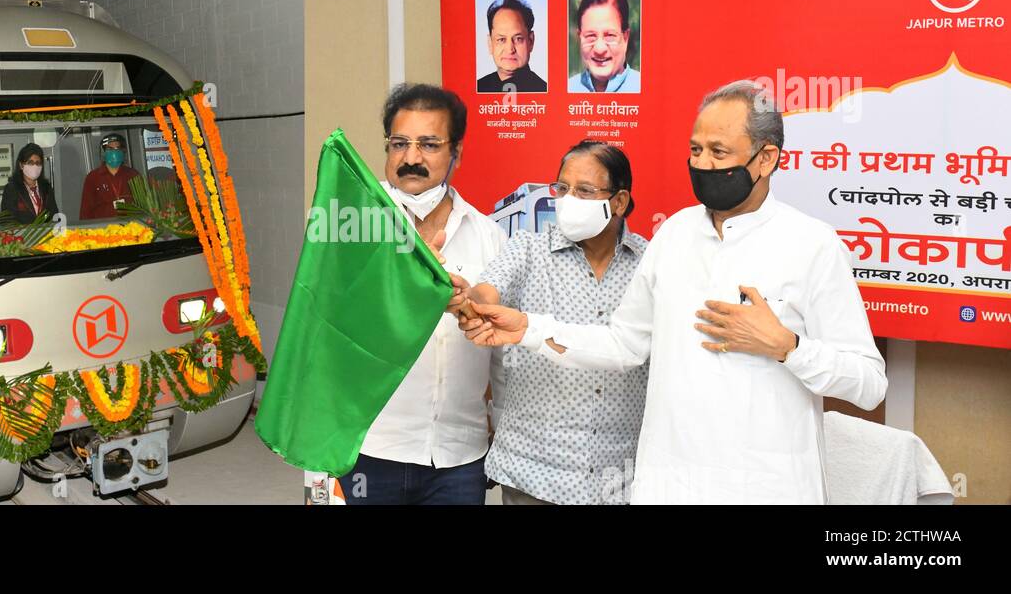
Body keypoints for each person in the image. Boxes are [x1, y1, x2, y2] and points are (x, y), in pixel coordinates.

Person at [460, 80, 888, 504]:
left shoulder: (813, 244)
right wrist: (528, 328)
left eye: (718, 152)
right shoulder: (675, 235)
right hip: (669, 487)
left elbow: (869, 384)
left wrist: (787, 347)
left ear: (766, 158)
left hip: (767, 488)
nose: (702, 163)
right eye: (696, 149)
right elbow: (623, 344)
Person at [446, 140, 648, 505]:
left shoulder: (649, 263)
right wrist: (466, 299)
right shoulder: (527, 249)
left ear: (618, 201)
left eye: (584, 191)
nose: (568, 200)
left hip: (620, 481)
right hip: (534, 477)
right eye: (562, 188)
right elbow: (487, 293)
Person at [339, 83, 506, 505]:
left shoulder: (490, 237)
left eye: (429, 144)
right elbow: (328, 329)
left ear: (457, 153)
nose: (411, 158)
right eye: (399, 144)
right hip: (370, 446)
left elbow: (505, 354)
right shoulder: (351, 227)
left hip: (460, 456)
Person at [568, 0, 641, 94]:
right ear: (579, 37)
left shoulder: (644, 87)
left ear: (625, 38)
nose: (600, 49)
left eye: (610, 35)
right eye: (590, 36)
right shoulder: (568, 88)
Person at [477, 0, 548, 94]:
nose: (510, 49)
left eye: (518, 39)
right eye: (501, 39)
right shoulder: (479, 87)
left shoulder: (542, 90)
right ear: (490, 44)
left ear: (531, 41)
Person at [79, 133, 143, 220]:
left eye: (117, 148)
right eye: (110, 149)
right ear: (103, 153)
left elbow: (144, 206)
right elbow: (85, 211)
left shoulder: (133, 175)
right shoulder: (93, 177)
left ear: (123, 152)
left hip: (130, 227)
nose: (114, 152)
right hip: (102, 228)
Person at [0, 143, 59, 224]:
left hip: (46, 235)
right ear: (21, 165)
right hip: (22, 235)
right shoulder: (12, 189)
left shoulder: (46, 188)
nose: (35, 166)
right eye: (30, 163)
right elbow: (7, 221)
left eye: (38, 163)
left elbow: (55, 216)